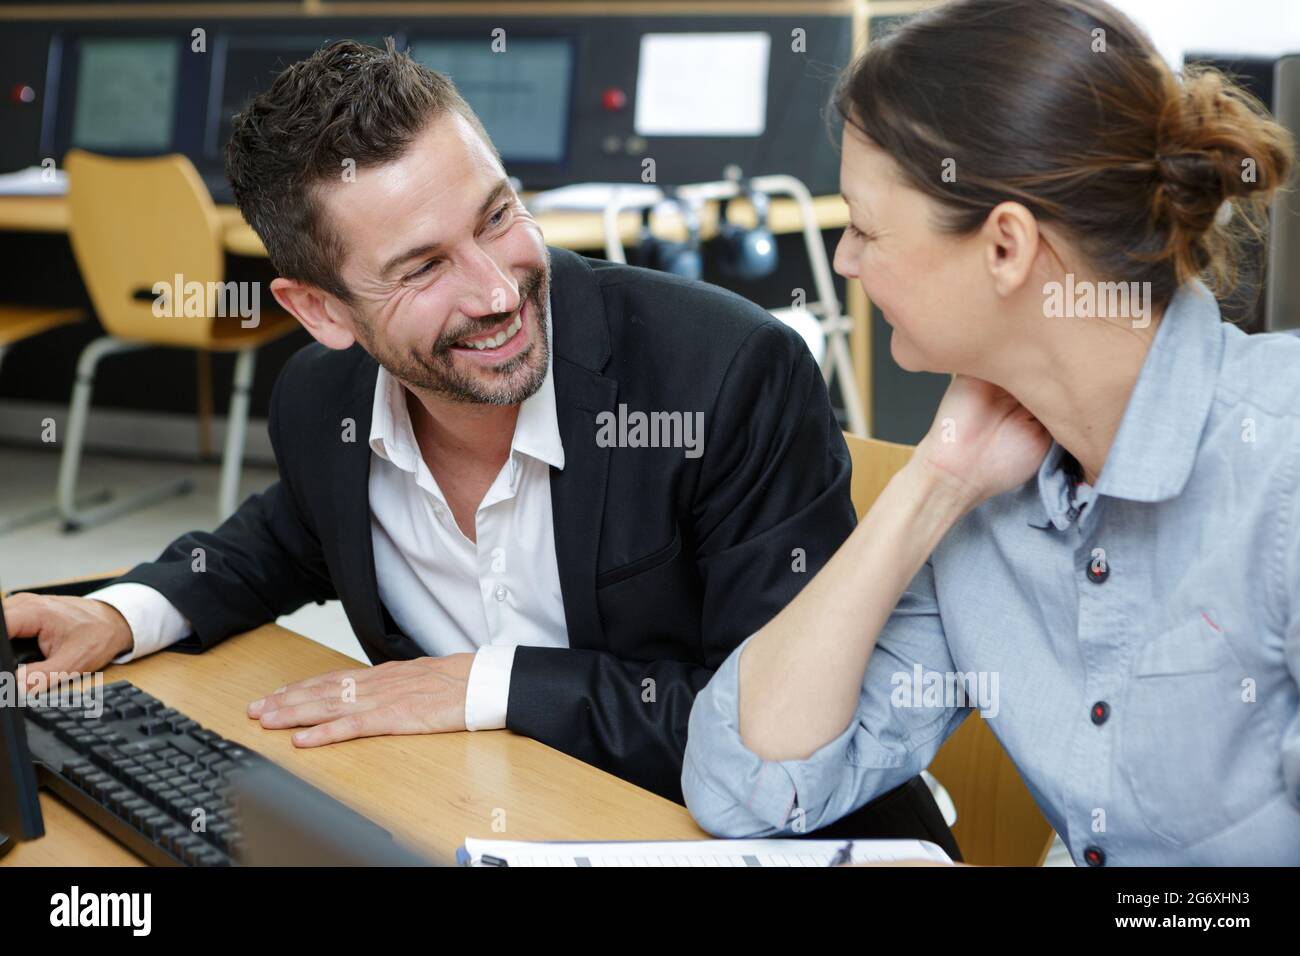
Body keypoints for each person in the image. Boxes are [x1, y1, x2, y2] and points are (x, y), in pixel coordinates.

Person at [3, 39, 952, 843]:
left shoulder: (727, 377)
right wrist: (125, 613)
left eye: (498, 216)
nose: (498, 291)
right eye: (421, 268)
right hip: (489, 819)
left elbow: (770, 733)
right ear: (321, 311)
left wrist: (489, 687)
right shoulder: (320, 397)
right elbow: (283, 538)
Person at [682, 0, 1300, 865]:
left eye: (862, 227)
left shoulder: (1281, 464)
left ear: (1006, 246)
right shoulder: (990, 502)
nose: (847, 261)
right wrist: (934, 484)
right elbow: (741, 785)